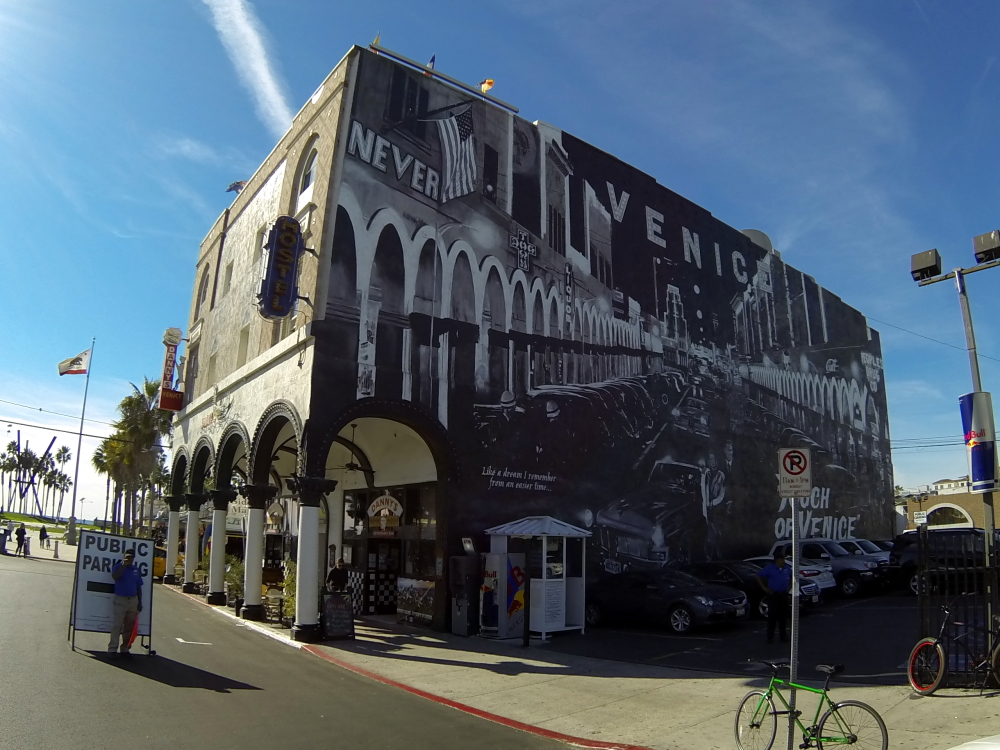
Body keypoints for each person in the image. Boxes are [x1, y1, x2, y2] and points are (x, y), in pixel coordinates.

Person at [108, 549, 143, 656]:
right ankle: (112, 649)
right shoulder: (118, 567)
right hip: (120, 599)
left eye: (130, 558)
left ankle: (125, 648)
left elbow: (138, 587)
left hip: (132, 600)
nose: (128, 559)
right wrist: (123, 565)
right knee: (117, 625)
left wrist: (140, 602)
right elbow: (115, 577)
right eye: (127, 557)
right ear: (124, 557)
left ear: (133, 558)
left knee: (129, 627)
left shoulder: (136, 570)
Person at [755, 550, 793, 643]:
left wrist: (789, 588)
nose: (783, 561)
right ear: (777, 560)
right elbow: (758, 575)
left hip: (783, 594)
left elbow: (792, 577)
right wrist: (764, 588)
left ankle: (783, 636)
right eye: (781, 559)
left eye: (783, 559)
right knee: (772, 617)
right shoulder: (770, 568)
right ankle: (770, 637)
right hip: (773, 595)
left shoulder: (787, 568)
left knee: (783, 617)